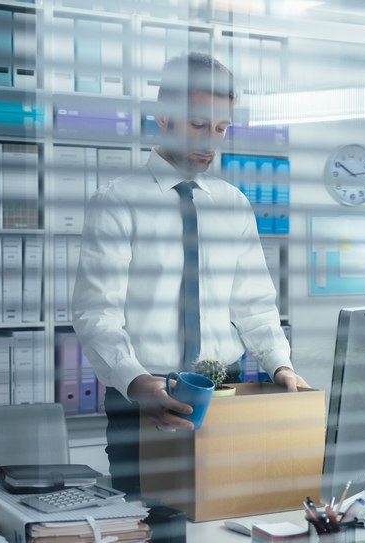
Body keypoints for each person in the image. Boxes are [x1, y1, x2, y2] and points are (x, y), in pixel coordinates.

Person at [72, 52, 308, 498]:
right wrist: (136, 383)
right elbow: (95, 313)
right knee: (146, 527)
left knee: (226, 516)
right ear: (163, 118)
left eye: (220, 128)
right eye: (199, 125)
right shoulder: (117, 203)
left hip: (225, 395)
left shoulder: (234, 204)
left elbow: (254, 304)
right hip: (143, 392)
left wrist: (281, 364)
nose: (210, 141)